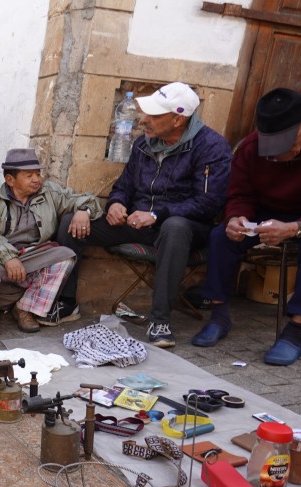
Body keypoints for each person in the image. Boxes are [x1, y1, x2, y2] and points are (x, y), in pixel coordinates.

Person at [51, 82, 232, 348]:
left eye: (154, 115)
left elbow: (208, 203)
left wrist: (157, 214)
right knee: (72, 222)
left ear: (178, 119)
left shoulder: (212, 147)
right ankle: (66, 303)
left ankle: (160, 321)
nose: (144, 120)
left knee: (175, 227)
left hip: (184, 229)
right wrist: (116, 204)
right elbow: (124, 186)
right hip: (138, 223)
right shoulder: (143, 144)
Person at [190, 88, 301, 366]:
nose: (282, 152)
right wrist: (236, 218)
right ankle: (219, 316)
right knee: (222, 236)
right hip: (265, 211)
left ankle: (296, 329)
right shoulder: (251, 147)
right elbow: (240, 195)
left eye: (289, 142)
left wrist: (295, 228)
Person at [0, 148, 100, 336]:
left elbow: (86, 199)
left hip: (31, 258)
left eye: (37, 174)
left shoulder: (49, 193)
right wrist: (8, 257)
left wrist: (84, 211)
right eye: (29, 175)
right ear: (10, 180)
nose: (36, 179)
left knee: (65, 255)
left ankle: (25, 309)